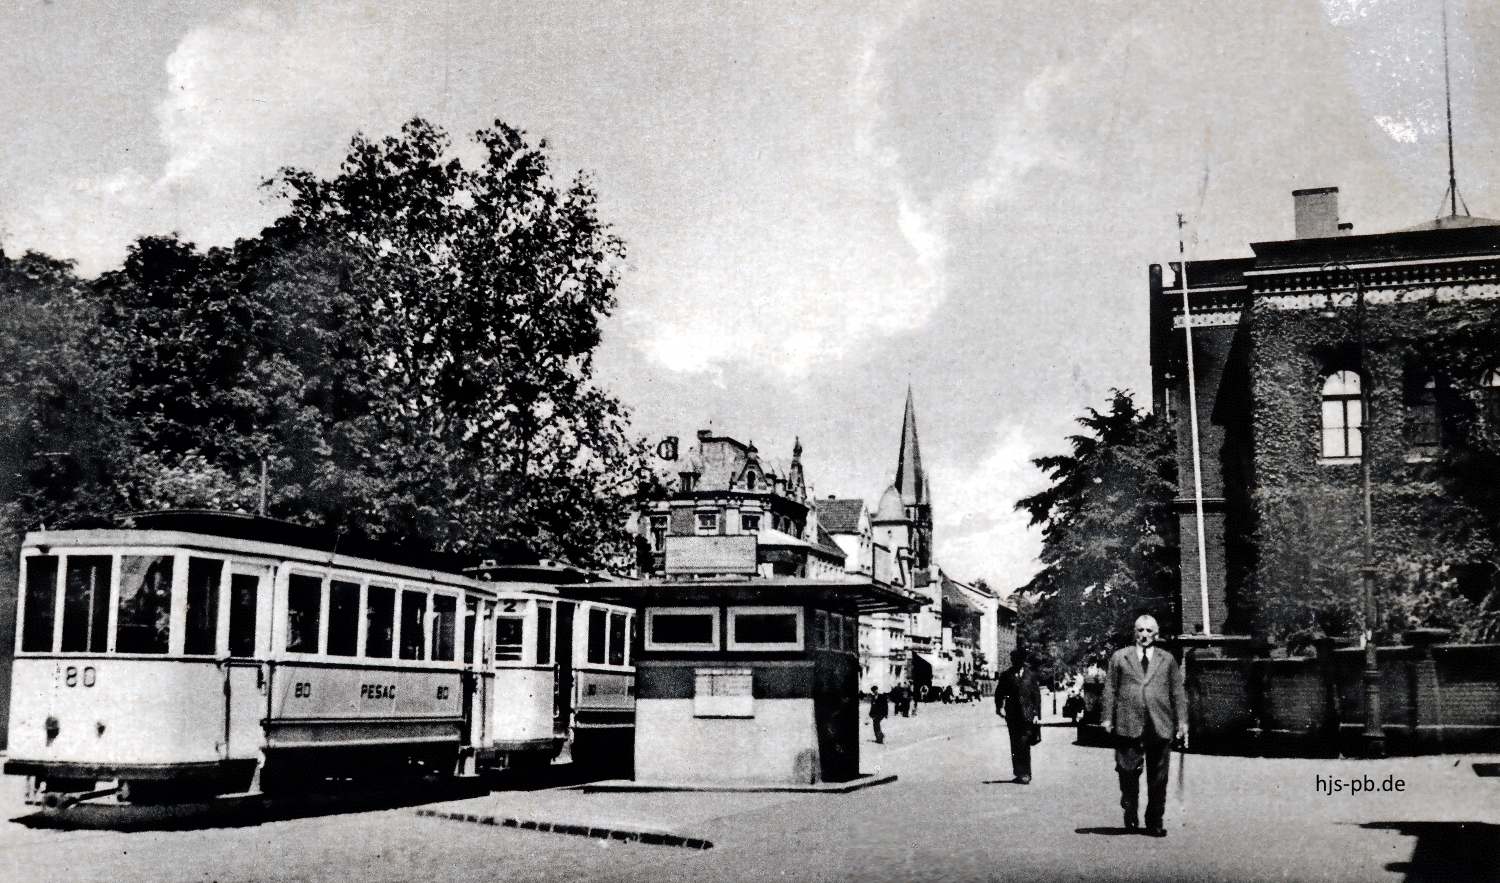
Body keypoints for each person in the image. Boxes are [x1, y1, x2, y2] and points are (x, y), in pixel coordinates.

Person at [1100, 614, 1188, 838]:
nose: (1144, 635)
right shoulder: (1120, 657)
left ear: (1156, 635)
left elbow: (1178, 693)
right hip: (1128, 721)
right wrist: (1107, 718)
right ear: (1134, 633)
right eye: (1140, 630)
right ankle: (1130, 807)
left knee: (1158, 777)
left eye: (1149, 631)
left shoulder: (1167, 660)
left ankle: (1154, 821)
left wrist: (1182, 722)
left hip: (1159, 723)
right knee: (1127, 771)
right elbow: (1110, 688)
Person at [994, 647, 1041, 784]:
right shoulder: (1006, 675)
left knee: (1024, 742)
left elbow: (1036, 696)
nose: (1017, 662)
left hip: (1027, 715)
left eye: (1020, 660)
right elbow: (999, 693)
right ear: (1012, 661)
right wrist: (999, 707)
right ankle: (1018, 772)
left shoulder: (1031, 676)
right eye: (1015, 660)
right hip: (1012, 714)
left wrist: (1037, 714)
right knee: (1015, 744)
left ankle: (1026, 773)